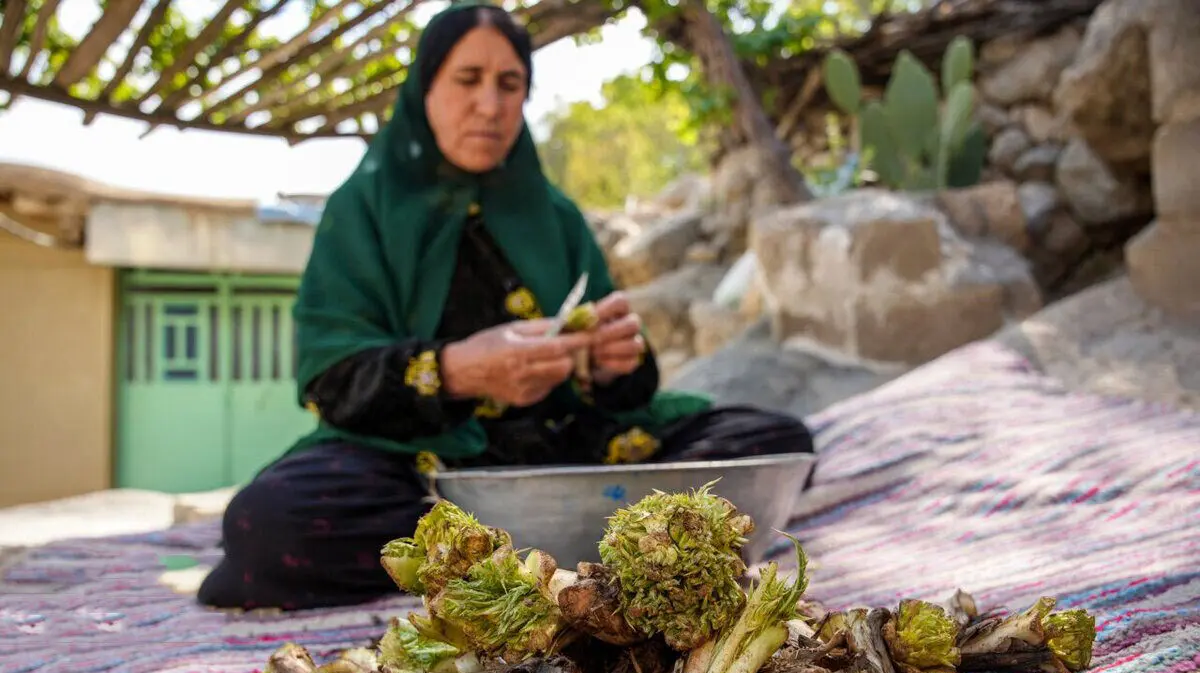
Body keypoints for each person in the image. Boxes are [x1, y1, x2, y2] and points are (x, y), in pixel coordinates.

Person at [196, 0, 816, 611]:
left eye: (509, 84)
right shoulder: (362, 211)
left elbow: (625, 385)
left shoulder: (553, 216)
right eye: (467, 79)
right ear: (425, 88)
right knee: (269, 524)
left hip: (562, 452)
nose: (489, 105)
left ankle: (486, 555)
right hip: (419, 469)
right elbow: (333, 380)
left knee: (773, 442)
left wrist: (610, 364)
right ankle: (598, 543)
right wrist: (458, 369)